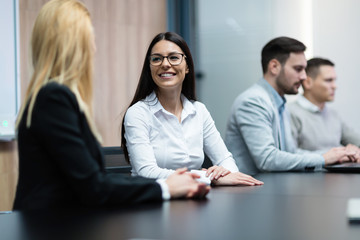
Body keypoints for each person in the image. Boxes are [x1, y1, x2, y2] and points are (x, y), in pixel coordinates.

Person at [13, 0, 209, 210]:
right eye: (91, 39)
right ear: (75, 46)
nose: (94, 48)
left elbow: (92, 180)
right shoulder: (54, 99)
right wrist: (166, 188)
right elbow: (93, 186)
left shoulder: (53, 98)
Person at [121, 32, 263, 186]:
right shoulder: (138, 113)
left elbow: (225, 160)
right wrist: (206, 177)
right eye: (156, 59)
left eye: (174, 57)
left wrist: (223, 173)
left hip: (194, 197)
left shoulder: (199, 110)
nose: (165, 64)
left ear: (187, 67)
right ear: (149, 68)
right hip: (153, 202)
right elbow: (146, 172)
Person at [224, 37, 356, 175]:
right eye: (298, 69)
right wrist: (322, 159)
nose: (304, 77)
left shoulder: (280, 103)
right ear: (274, 67)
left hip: (272, 187)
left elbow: (291, 152)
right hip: (250, 193)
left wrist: (338, 155)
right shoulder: (253, 101)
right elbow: (267, 159)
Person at [288, 57, 360, 155]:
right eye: (328, 80)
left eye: (334, 80)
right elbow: (289, 154)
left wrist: (353, 151)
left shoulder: (333, 115)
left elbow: (356, 141)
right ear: (308, 82)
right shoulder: (290, 113)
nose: (335, 86)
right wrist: (337, 154)